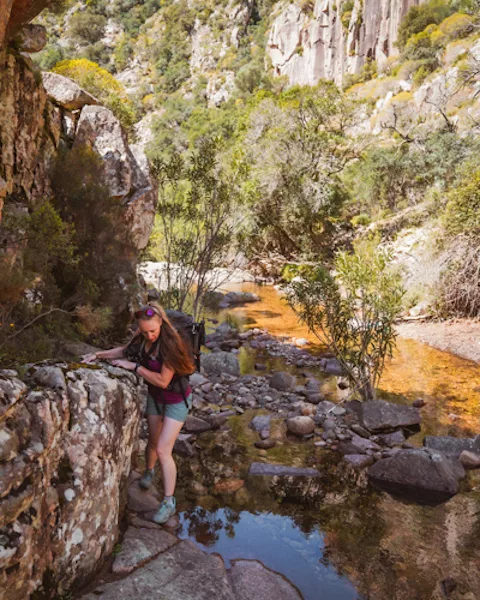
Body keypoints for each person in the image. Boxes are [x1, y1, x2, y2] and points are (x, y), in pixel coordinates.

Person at [82, 303, 194, 524]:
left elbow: (163, 381)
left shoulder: (171, 345)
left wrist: (135, 368)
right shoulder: (142, 339)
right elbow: (125, 351)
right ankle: (149, 472)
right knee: (152, 441)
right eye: (144, 331)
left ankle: (169, 501)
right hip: (156, 398)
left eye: (153, 331)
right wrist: (97, 355)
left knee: (163, 449)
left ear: (161, 322)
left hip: (176, 400)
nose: (150, 335)